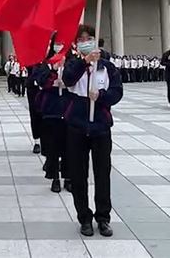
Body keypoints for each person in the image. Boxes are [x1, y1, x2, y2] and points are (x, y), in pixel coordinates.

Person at [63, 24, 122, 237]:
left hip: (100, 127)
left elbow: (117, 92)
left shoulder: (107, 67)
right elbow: (68, 80)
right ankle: (84, 218)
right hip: (77, 126)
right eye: (81, 39)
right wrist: (84, 62)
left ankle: (103, 218)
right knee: (78, 176)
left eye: (88, 38)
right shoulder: (72, 64)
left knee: (102, 173)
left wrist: (102, 97)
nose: (85, 41)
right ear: (75, 44)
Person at [33, 38, 71, 193]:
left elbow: (78, 77)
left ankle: (68, 177)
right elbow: (38, 78)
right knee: (53, 146)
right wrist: (52, 72)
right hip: (51, 109)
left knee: (70, 146)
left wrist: (67, 78)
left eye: (62, 42)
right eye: (57, 42)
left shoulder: (71, 61)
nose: (59, 45)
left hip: (69, 108)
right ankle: (55, 177)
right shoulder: (45, 62)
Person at [26, 62, 42, 154]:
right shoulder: (31, 58)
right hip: (33, 89)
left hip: (47, 89)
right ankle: (37, 141)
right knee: (34, 115)